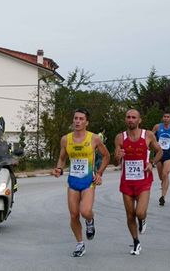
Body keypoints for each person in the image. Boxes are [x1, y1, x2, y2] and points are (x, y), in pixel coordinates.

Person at [53, 108, 110, 258]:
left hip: (88, 181)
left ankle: (90, 221)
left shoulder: (94, 138)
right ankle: (80, 244)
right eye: (75, 118)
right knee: (73, 215)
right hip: (73, 181)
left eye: (81, 119)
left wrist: (99, 173)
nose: (77, 121)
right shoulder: (66, 139)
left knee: (85, 211)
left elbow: (106, 156)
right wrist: (59, 168)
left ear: (86, 122)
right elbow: (62, 158)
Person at [114, 109, 163, 255]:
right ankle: (136, 242)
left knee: (140, 212)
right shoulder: (120, 138)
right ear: (125, 120)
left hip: (143, 180)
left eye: (133, 117)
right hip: (127, 181)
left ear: (139, 120)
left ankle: (142, 219)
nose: (130, 120)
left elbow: (159, 151)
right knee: (130, 215)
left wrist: (152, 163)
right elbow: (116, 163)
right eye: (128, 117)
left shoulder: (147, 135)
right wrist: (118, 156)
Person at [152, 111, 170, 206]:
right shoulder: (157, 127)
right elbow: (150, 137)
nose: (166, 118)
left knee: (165, 173)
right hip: (158, 153)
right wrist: (153, 143)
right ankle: (164, 184)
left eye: (168, 117)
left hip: (169, 152)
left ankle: (163, 197)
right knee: (161, 177)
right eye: (164, 116)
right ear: (162, 118)